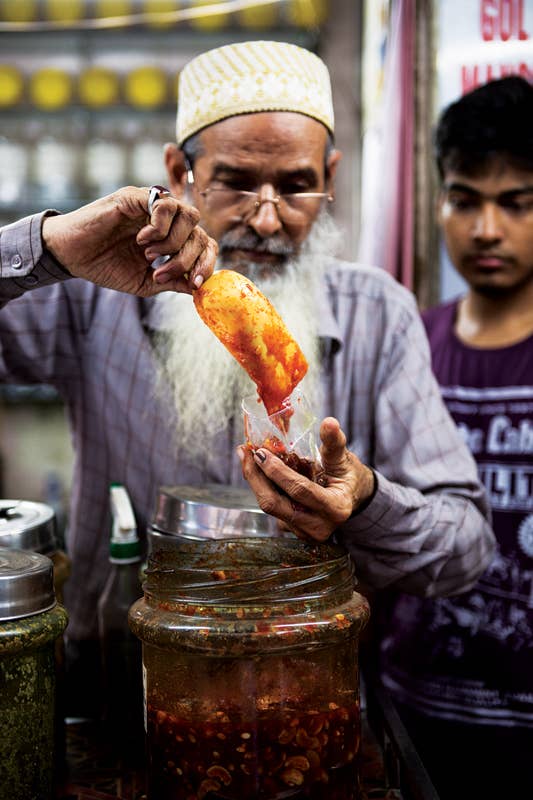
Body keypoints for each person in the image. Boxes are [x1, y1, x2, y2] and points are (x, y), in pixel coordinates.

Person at [0, 41, 494, 717]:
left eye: (295, 185)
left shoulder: (376, 313)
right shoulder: (94, 298)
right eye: (234, 181)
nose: (266, 219)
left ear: (330, 175)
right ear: (179, 171)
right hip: (121, 690)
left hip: (311, 696)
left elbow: (465, 547)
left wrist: (368, 500)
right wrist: (51, 249)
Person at [376, 76, 533, 799]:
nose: (485, 230)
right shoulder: (408, 345)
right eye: (464, 198)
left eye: (515, 203)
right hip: (411, 719)